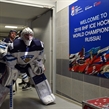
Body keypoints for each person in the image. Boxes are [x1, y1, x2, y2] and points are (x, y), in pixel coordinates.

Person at [0, 27, 55, 105]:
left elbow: (39, 55)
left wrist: (39, 64)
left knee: (38, 74)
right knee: (8, 78)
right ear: (22, 36)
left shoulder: (38, 44)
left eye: (30, 35)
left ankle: (47, 96)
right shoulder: (14, 45)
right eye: (26, 35)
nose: (28, 37)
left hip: (29, 63)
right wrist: (11, 66)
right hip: (16, 64)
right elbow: (8, 55)